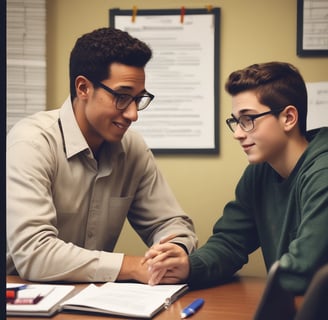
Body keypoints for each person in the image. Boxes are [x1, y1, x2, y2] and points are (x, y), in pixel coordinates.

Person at [6, 27, 197, 283]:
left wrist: (175, 251)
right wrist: (133, 266)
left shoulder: (133, 148)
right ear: (83, 88)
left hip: (94, 297)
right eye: (121, 97)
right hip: (22, 297)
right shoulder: (31, 142)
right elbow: (35, 254)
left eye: (139, 99)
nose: (133, 114)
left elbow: (172, 223)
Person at [144, 61, 328, 294]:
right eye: (236, 121)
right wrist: (188, 267)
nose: (238, 134)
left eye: (248, 119)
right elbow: (230, 243)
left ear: (289, 118)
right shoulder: (260, 171)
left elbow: (302, 272)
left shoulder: (323, 173)